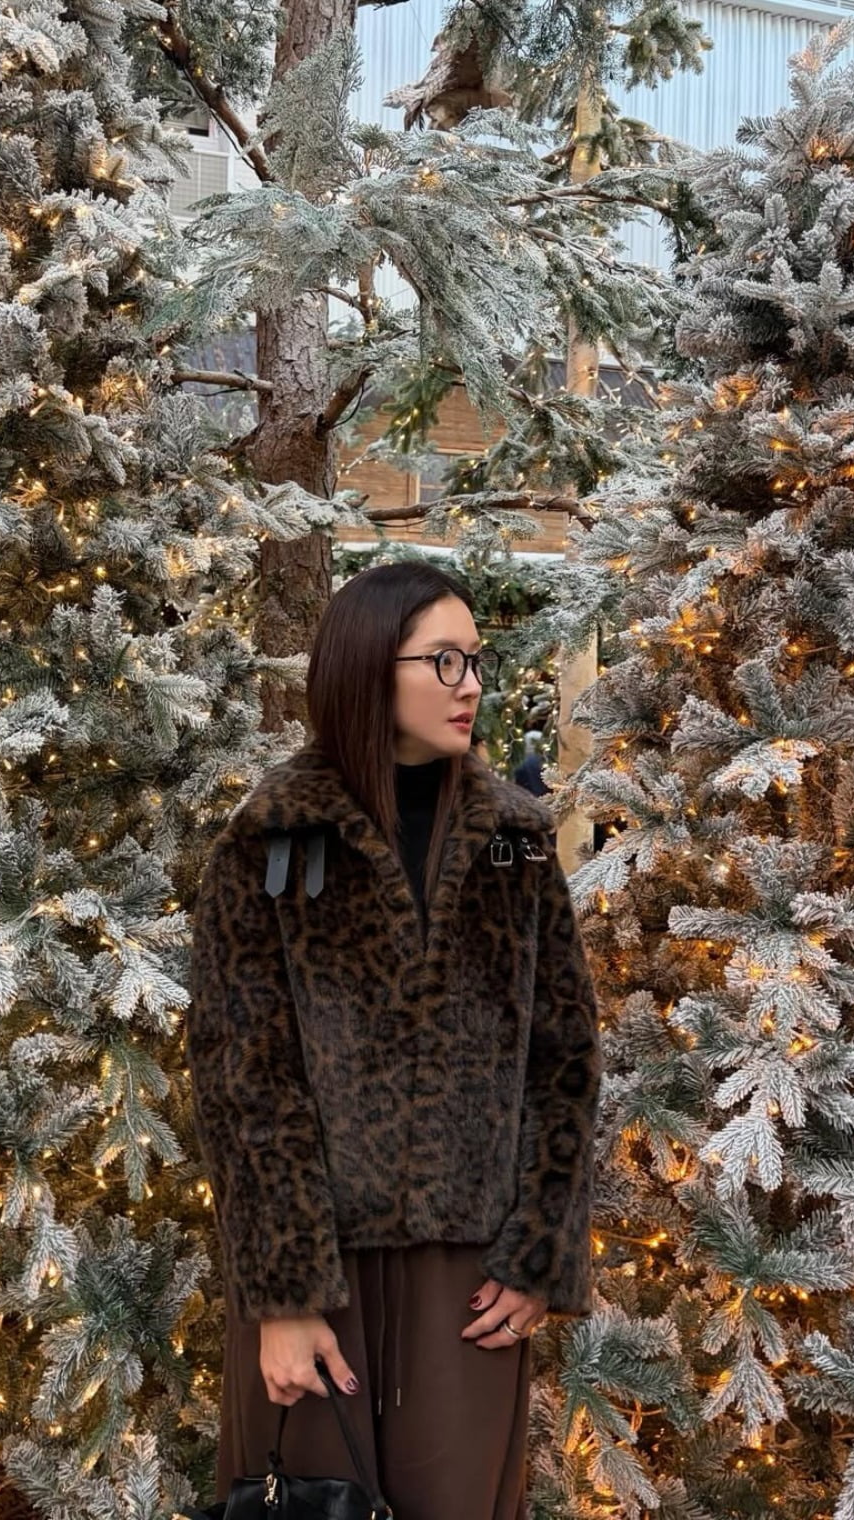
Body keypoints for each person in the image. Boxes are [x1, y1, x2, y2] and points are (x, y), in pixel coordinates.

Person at [185, 561, 602, 1520]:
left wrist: (540, 1250)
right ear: (370, 667)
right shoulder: (273, 838)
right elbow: (243, 1073)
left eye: (477, 661)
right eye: (442, 659)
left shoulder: (515, 840)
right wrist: (285, 1295)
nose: (470, 685)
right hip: (316, 1272)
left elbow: (566, 1056)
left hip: (472, 1278)